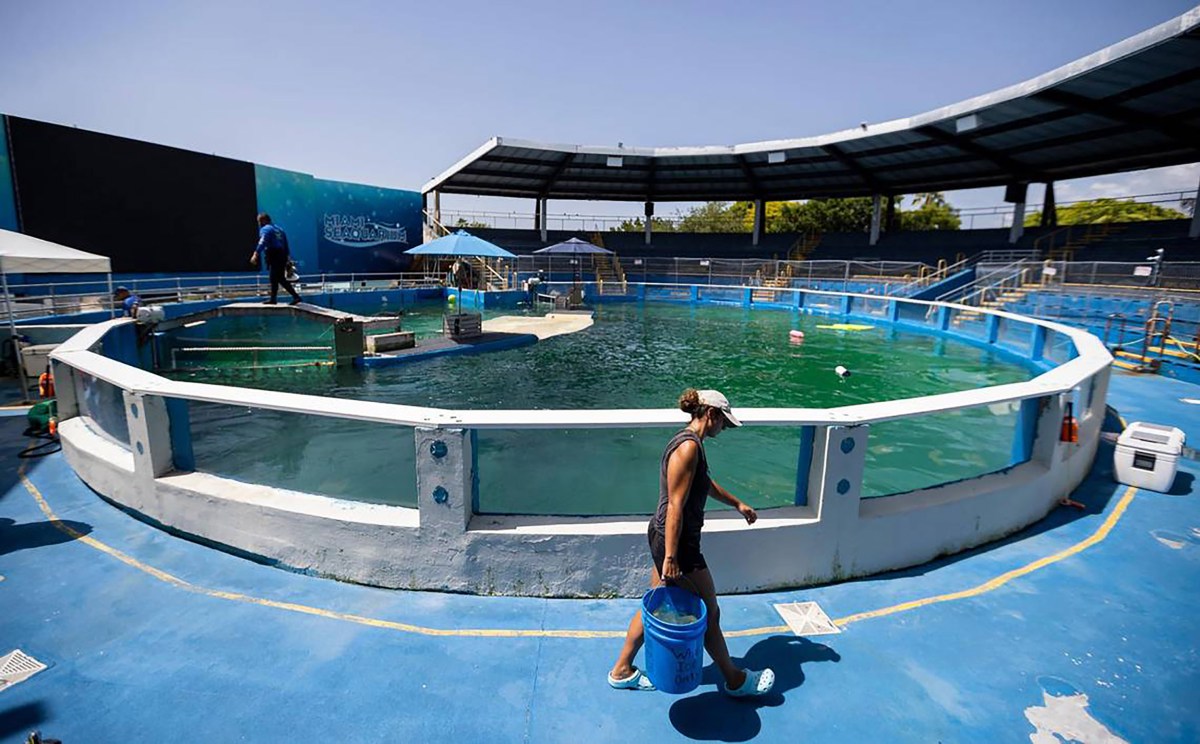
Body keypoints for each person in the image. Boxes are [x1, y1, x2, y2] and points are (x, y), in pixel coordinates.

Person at [608, 388, 775, 697]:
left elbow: (703, 483)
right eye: (723, 422)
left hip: (669, 538)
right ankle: (735, 679)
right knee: (709, 613)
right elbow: (675, 505)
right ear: (710, 414)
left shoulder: (691, 444)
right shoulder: (688, 448)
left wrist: (737, 504)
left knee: (657, 600)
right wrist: (672, 557)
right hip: (678, 544)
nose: (723, 429)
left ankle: (621, 670)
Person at [250, 212, 301, 305]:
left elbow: (262, 241)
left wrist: (256, 253)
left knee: (278, 278)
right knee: (274, 278)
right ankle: (273, 299)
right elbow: (285, 244)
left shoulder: (266, 229)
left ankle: (295, 296)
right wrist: (287, 258)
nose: (259, 224)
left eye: (259, 221)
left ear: (264, 221)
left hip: (275, 255)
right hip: (282, 255)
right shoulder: (279, 229)